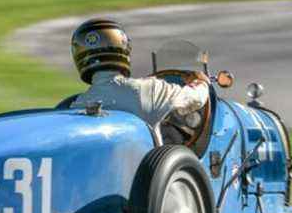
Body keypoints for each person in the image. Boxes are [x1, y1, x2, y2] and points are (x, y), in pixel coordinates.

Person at [69, 17, 210, 130]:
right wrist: (201, 82)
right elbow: (195, 99)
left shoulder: (77, 105)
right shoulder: (149, 90)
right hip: (147, 165)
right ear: (123, 48)